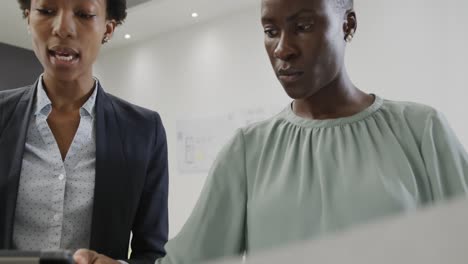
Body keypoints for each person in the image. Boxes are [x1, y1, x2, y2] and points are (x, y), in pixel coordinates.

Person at [152, 0, 468, 263]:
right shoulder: (247, 151)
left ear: (348, 25)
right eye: (270, 31)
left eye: (302, 26)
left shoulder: (421, 131)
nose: (282, 49)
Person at [0, 0, 168, 264]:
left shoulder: (144, 131)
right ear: (27, 18)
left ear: (108, 29)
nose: (63, 28)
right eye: (46, 11)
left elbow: (152, 250)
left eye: (84, 14)